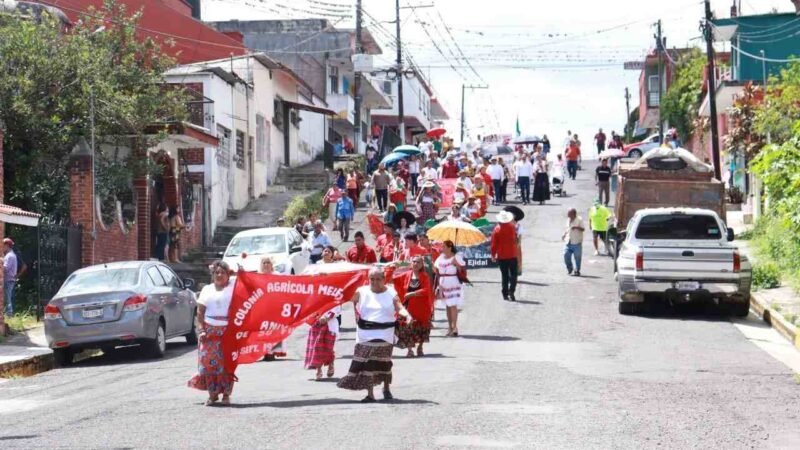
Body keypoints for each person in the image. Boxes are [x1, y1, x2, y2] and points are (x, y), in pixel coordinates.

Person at [337, 267, 412, 402]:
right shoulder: (361, 291)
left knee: (384, 362)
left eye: (378, 279)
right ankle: (370, 393)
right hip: (365, 333)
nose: (375, 282)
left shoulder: (391, 292)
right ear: (368, 279)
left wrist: (407, 316)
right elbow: (344, 296)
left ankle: (386, 388)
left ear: (384, 280)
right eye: (372, 279)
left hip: (385, 333)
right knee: (367, 363)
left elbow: (399, 307)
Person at [188, 261, 236, 406]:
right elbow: (200, 312)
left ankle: (226, 394)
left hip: (227, 332)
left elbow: (248, 280)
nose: (219, 275)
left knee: (226, 364)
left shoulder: (234, 287)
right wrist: (201, 330)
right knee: (209, 365)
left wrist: (234, 272)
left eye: (223, 272)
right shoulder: (207, 290)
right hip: (209, 333)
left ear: (228, 275)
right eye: (216, 272)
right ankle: (212, 394)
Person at [394, 256, 434, 357]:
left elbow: (426, 290)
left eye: (418, 262)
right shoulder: (406, 275)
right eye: (414, 261)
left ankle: (420, 347)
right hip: (408, 307)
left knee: (422, 328)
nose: (415, 264)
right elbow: (393, 279)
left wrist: (413, 294)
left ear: (422, 265)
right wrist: (390, 268)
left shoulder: (424, 276)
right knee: (407, 327)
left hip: (421, 308)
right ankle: (410, 350)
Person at [434, 240, 466, 337]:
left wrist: (456, 263)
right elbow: (435, 268)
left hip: (453, 282)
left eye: (443, 246)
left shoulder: (456, 257)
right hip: (443, 283)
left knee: (453, 305)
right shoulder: (440, 258)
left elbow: (462, 269)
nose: (442, 248)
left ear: (449, 247)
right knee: (447, 306)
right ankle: (449, 327)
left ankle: (455, 326)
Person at [491, 211, 519, 301]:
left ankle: (505, 293)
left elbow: (494, 244)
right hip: (512, 254)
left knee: (505, 275)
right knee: (514, 274)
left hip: (502, 255)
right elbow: (515, 239)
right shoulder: (512, 227)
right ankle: (512, 290)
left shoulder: (497, 229)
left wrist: (493, 254)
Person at [562, 208, 585, 276]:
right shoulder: (568, 219)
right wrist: (564, 234)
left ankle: (577, 270)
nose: (568, 215)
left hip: (576, 242)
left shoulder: (579, 220)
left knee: (577, 257)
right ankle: (570, 268)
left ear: (574, 214)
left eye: (569, 214)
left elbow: (583, 229)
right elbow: (567, 229)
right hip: (568, 241)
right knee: (566, 255)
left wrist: (576, 227)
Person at [2, 238, 18, 315]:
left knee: (7, 297)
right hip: (9, 279)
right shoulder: (10, 255)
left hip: (8, 280)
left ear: (7, 245)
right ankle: (7, 312)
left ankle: (9, 313)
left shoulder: (9, 256)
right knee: (7, 297)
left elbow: (5, 268)